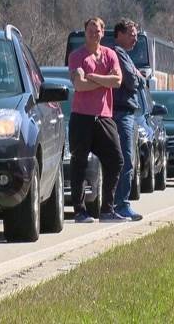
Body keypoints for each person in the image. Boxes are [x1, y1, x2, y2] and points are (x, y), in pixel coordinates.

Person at [68, 17, 126, 223]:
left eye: (98, 31)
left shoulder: (110, 55)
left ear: (103, 33)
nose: (94, 34)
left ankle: (107, 209)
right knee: (79, 164)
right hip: (81, 117)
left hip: (104, 116)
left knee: (116, 160)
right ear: (85, 33)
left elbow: (118, 81)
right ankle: (80, 211)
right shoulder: (76, 57)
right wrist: (104, 80)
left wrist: (92, 76)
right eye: (90, 31)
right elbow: (79, 86)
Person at [112, 18, 144, 221]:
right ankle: (121, 205)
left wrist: (137, 75)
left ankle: (117, 204)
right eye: (132, 35)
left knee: (123, 160)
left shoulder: (125, 55)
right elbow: (133, 81)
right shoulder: (118, 53)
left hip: (125, 112)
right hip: (122, 112)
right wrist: (138, 76)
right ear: (120, 34)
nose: (135, 39)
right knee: (126, 160)